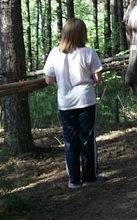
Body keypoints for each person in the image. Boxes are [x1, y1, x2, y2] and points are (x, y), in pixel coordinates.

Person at [43, 18, 104, 189]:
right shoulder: (88, 52)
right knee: (87, 139)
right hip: (85, 100)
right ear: (81, 34)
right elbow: (97, 78)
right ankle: (89, 176)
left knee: (70, 141)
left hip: (65, 102)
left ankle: (74, 180)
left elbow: (48, 80)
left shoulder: (55, 53)